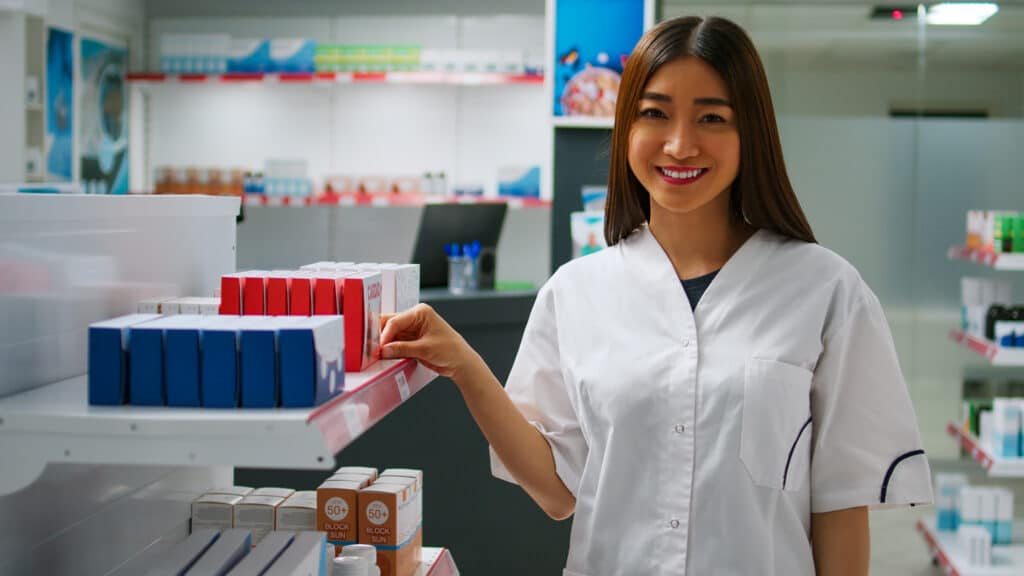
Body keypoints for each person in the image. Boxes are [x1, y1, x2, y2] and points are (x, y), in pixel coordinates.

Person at [379, 15, 932, 576]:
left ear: (752, 134)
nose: (680, 144)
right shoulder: (576, 293)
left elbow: (839, 506)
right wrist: (466, 366)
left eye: (711, 117)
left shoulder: (825, 292)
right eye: (655, 114)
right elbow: (556, 491)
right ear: (626, 129)